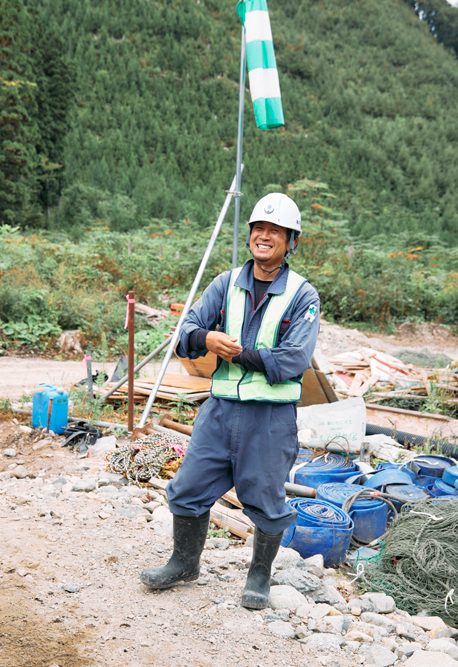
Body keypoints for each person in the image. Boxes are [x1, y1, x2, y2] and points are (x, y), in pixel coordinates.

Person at [140, 192, 321, 609]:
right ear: (250, 236)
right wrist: (206, 338)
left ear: (291, 241)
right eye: (259, 228)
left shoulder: (302, 295)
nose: (264, 236)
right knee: (187, 489)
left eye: (275, 231)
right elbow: (186, 332)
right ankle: (184, 563)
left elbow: (294, 359)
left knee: (268, 501)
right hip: (219, 411)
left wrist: (236, 352)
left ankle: (259, 576)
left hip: (270, 418)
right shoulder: (225, 284)